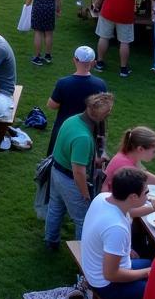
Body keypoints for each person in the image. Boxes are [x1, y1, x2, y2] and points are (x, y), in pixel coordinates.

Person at [43, 91, 115, 249]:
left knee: (55, 207)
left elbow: (70, 151)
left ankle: (51, 241)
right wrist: (85, 193)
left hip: (56, 171)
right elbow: (78, 172)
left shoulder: (72, 119)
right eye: (108, 112)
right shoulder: (83, 137)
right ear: (100, 114)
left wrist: (95, 160)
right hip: (70, 180)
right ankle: (83, 256)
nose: (109, 114)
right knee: (83, 219)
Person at [81, 167, 154, 299]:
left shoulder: (102, 198)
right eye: (146, 192)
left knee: (154, 266)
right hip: (106, 285)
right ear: (133, 197)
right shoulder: (116, 227)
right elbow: (111, 274)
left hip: (95, 269)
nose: (148, 197)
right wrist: (146, 273)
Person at [102, 127, 155, 202]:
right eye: (154, 151)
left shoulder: (128, 156)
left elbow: (144, 175)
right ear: (140, 149)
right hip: (113, 203)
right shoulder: (126, 167)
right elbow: (133, 201)